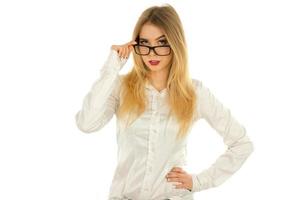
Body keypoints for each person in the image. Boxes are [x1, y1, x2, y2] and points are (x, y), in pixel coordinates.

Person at [75, 4, 254, 200]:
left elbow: (241, 143)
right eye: (144, 43)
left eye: (161, 43)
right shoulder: (120, 88)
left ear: (175, 44)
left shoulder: (195, 93)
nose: (151, 53)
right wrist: (111, 68)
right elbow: (86, 124)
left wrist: (198, 181)